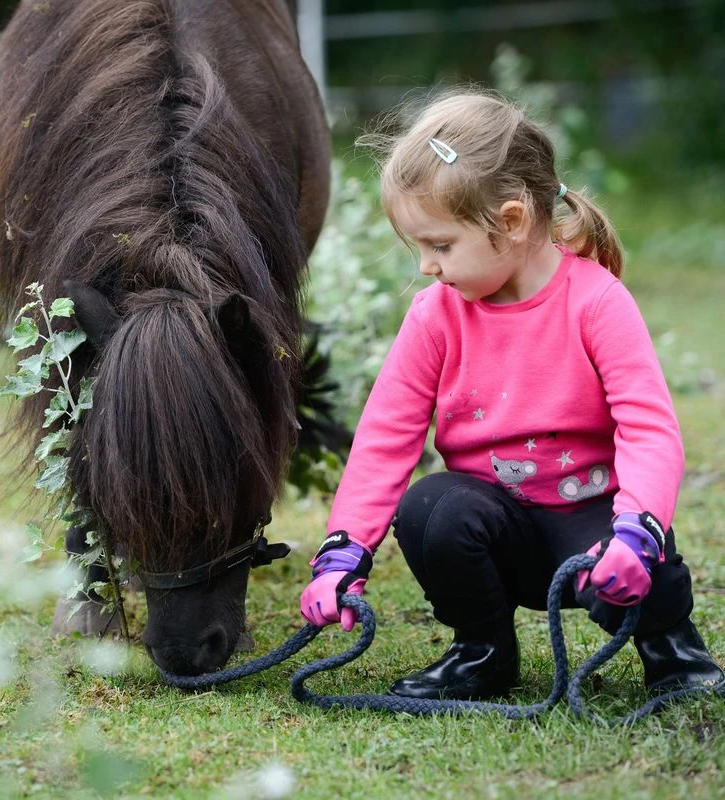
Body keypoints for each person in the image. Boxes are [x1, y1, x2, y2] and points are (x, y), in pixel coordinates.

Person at [299, 89, 723, 700]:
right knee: (430, 509)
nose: (425, 266)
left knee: (644, 546)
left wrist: (638, 530)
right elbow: (386, 437)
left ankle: (675, 654)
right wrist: (342, 553)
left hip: (593, 528)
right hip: (496, 531)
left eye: (440, 245)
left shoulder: (597, 302)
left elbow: (648, 428)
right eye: (416, 247)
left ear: (514, 222)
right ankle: (483, 653)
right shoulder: (434, 316)